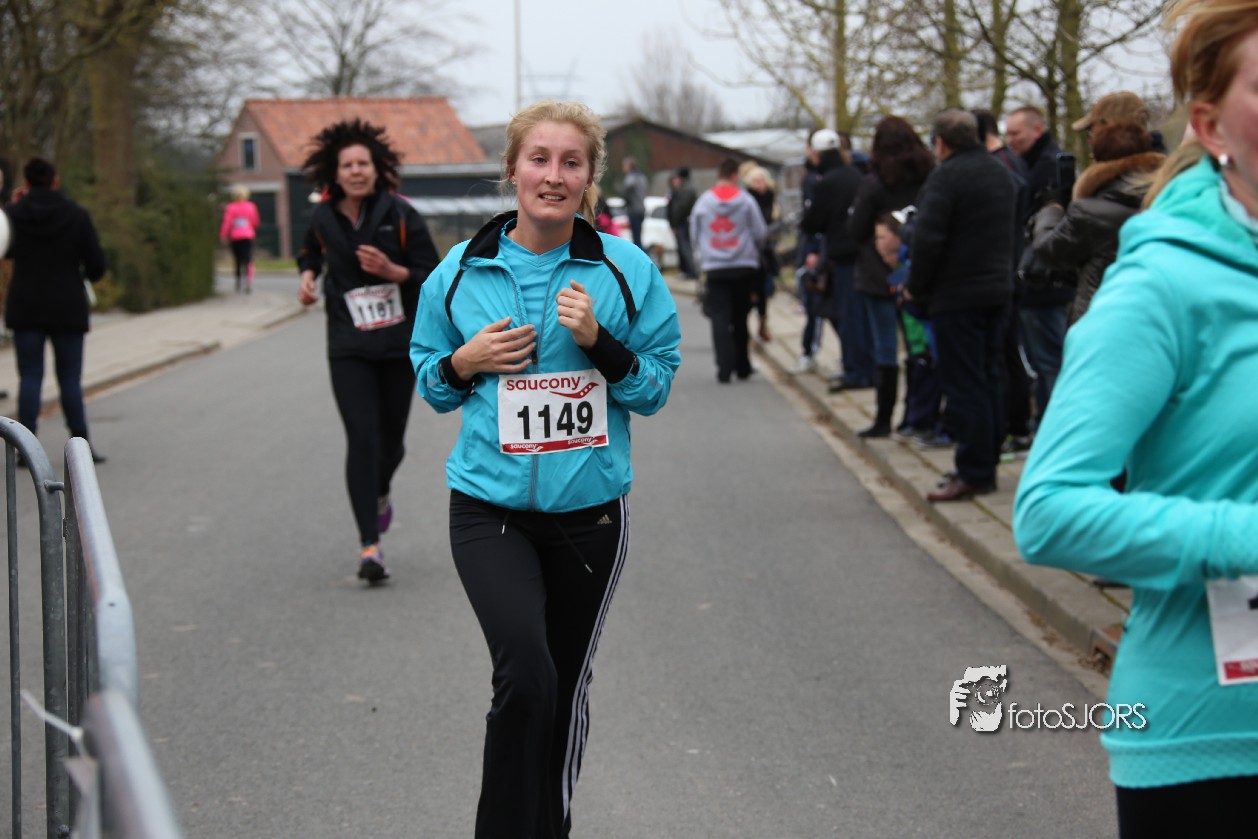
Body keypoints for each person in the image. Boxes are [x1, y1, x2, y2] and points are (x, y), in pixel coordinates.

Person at [1014, 1, 1258, 833]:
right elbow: (1049, 511)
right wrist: (1244, 536)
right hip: (1218, 740)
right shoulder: (1161, 287)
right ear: (1210, 125)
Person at [409, 100, 681, 839]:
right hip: (488, 511)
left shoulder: (625, 271)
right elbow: (432, 382)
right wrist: (465, 361)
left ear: (590, 177)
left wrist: (600, 344)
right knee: (525, 674)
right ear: (512, 170)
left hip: (589, 519)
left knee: (562, 688)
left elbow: (655, 387)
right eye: (539, 159)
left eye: (570, 162)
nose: (553, 176)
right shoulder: (459, 272)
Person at [296, 118, 439, 583]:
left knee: (391, 444)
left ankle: (379, 492)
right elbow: (309, 251)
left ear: (377, 169)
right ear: (335, 174)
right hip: (348, 345)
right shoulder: (322, 217)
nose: (356, 171)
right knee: (362, 438)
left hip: (398, 345)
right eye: (348, 165)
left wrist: (395, 272)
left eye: (363, 164)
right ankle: (369, 547)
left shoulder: (401, 214)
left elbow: (432, 274)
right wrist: (307, 275)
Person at [904, 109, 1016, 502]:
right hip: (997, 288)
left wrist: (915, 287)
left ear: (940, 143)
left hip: (957, 294)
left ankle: (973, 470)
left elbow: (928, 238)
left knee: (964, 383)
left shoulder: (946, 177)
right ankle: (987, 459)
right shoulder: (1000, 173)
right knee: (990, 377)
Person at [2, 157, 108, 462]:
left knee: (30, 376)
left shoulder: (14, 215)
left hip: (26, 305)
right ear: (56, 180)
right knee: (70, 378)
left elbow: (4, 248)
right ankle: (82, 447)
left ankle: (25, 450)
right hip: (67, 305)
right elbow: (97, 266)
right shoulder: (76, 215)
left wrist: (12, 208)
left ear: (25, 183)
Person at [847, 116, 934, 437]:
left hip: (877, 274)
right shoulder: (929, 177)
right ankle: (916, 414)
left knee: (885, 347)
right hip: (916, 271)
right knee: (918, 346)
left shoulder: (874, 183)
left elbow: (856, 229)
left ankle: (883, 418)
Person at [1030, 118, 1165, 324]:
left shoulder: (1090, 212)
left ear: (1098, 159)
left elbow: (1049, 250)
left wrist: (1052, 208)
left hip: (1100, 317)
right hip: (1154, 314)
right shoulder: (1167, 199)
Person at [1005, 104, 1074, 424]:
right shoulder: (1028, 165)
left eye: (1016, 133)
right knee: (1040, 359)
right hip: (1036, 279)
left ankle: (1053, 423)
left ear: (1037, 129)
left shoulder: (1047, 168)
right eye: (1007, 134)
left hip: (1043, 281)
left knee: (1049, 360)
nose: (1010, 140)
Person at [801, 128, 873, 392]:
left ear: (817, 153)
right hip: (861, 253)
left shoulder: (827, 182)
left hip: (842, 255)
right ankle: (868, 367)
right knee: (862, 315)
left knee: (849, 315)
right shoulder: (855, 175)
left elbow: (813, 221)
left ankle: (857, 371)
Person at [690, 157, 767, 382]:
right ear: (735, 176)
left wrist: (703, 256)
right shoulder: (746, 201)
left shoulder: (703, 202)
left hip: (715, 268)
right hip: (743, 266)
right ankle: (743, 366)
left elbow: (694, 235)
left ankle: (724, 369)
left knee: (719, 318)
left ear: (719, 175)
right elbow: (760, 232)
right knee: (741, 317)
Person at [742, 165, 779, 342]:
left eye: (761, 180)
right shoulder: (747, 200)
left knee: (764, 290)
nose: (759, 184)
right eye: (755, 181)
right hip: (750, 251)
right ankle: (745, 326)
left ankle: (763, 323)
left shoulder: (771, 198)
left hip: (766, 250)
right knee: (749, 291)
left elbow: (774, 221)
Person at [220, 185, 261, 293]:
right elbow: (255, 221)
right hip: (248, 236)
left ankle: (238, 280)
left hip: (235, 237)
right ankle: (248, 281)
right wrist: (250, 228)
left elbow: (227, 222)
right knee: (248, 260)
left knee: (237, 260)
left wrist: (223, 235)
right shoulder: (251, 206)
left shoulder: (231, 207)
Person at [666, 166, 698, 278]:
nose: (674, 181)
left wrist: (675, 224)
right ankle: (686, 271)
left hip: (683, 224)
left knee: (685, 248)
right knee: (682, 248)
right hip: (679, 224)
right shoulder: (676, 192)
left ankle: (691, 271)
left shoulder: (686, 190)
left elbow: (681, 209)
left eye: (677, 179)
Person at [619, 156, 648, 249]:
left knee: (636, 239)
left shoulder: (631, 177)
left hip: (634, 210)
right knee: (638, 236)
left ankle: (638, 255)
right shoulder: (642, 177)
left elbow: (627, 189)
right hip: (641, 209)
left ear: (629, 166)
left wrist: (625, 199)